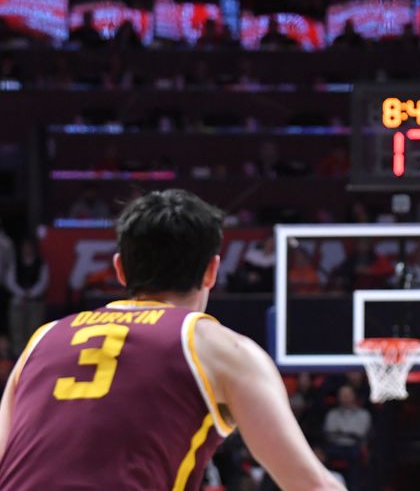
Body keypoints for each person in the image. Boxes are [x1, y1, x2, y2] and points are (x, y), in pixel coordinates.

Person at [0, 190, 344, 490]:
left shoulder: (41, 340)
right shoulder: (221, 348)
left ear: (120, 270)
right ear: (212, 270)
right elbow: (311, 485)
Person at [5, 237, 49, 356]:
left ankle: (33, 356)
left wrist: (32, 293)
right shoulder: (16, 263)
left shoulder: (40, 263)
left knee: (34, 330)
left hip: (35, 303)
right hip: (18, 302)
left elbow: (43, 282)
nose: (27, 249)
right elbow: (10, 281)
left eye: (29, 247)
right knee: (17, 331)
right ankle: (17, 357)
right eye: (25, 247)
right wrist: (21, 293)